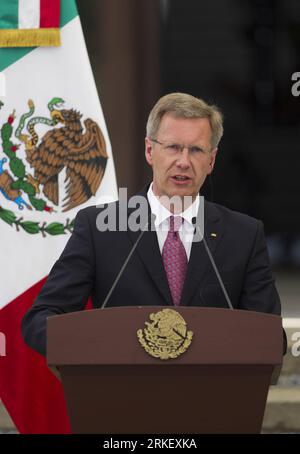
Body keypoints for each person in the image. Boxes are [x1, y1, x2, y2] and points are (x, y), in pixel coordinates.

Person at [22, 92, 286, 356]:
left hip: (209, 392)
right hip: (121, 389)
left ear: (212, 160)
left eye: (195, 150)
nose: (183, 161)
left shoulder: (244, 235)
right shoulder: (99, 228)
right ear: (150, 150)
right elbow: (40, 321)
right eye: (173, 147)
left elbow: (272, 337)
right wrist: (100, 352)